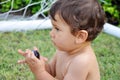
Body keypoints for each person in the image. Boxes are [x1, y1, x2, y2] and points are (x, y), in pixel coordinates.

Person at [18, 0, 105, 80]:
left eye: (57, 29)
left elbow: (43, 74)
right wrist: (38, 63)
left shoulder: (82, 61)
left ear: (80, 36)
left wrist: (40, 72)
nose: (51, 33)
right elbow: (51, 71)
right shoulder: (64, 50)